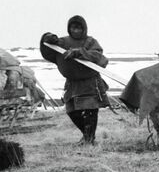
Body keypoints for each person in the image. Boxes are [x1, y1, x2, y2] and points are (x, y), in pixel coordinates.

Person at [40, 15, 110, 145]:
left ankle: (89, 139)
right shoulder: (63, 42)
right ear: (69, 28)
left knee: (90, 111)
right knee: (72, 111)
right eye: (73, 28)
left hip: (89, 82)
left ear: (84, 29)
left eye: (79, 28)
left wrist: (80, 52)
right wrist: (47, 37)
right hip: (72, 83)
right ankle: (87, 136)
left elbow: (98, 56)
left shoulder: (90, 42)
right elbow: (48, 50)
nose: (76, 31)